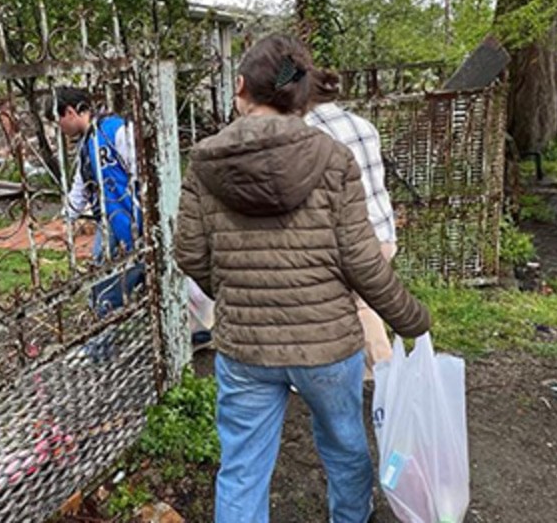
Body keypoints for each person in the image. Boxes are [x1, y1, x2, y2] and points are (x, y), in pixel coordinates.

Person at [175, 33, 431, 523]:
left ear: (242, 87)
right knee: (344, 447)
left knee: (243, 467)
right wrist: (412, 318)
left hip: (246, 348)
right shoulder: (334, 158)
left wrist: (231, 292)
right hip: (327, 345)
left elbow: (189, 253)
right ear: (299, 94)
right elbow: (362, 262)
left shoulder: (205, 161)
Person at [305, 69, 398, 376]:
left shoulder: (308, 131)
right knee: (360, 304)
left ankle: (386, 378)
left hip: (351, 241)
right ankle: (364, 374)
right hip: (382, 233)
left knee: (358, 309)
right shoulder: (362, 125)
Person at [53, 86, 143, 316]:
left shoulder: (115, 131)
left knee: (108, 289)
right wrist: (67, 217)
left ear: (70, 112)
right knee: (104, 282)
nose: (59, 128)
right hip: (109, 221)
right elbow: (81, 185)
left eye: (58, 120)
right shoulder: (86, 143)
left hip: (131, 219)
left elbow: (140, 171)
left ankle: (102, 346)